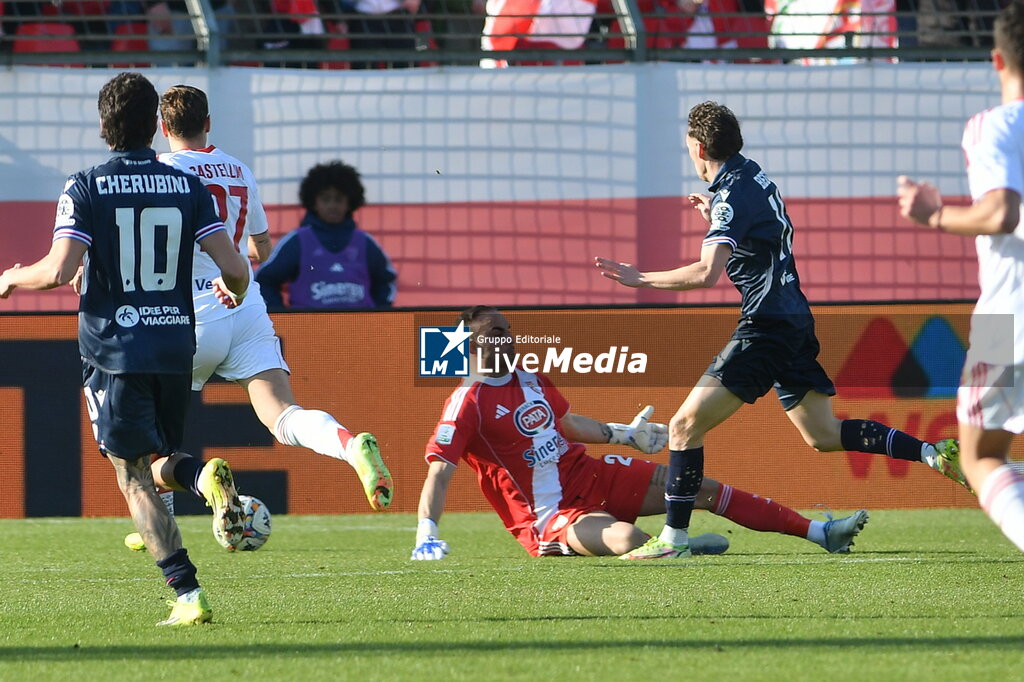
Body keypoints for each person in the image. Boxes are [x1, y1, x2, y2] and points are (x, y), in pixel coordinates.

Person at [595, 100, 966, 560]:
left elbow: (708, 274)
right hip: (793, 318)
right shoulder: (753, 177)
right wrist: (715, 218)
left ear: (701, 146)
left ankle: (673, 540)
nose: (688, 153)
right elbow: (761, 237)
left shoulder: (731, 195)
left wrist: (641, 278)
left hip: (767, 324)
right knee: (824, 434)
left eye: (689, 146)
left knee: (684, 426)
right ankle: (935, 453)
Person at [0, 72, 249, 625]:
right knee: (156, 459)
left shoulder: (85, 185)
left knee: (131, 474)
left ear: (104, 127)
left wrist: (14, 276)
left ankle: (187, 594)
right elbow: (236, 268)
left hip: (116, 349)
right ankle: (198, 477)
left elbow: (60, 270)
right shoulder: (188, 188)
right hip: (175, 344)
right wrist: (231, 293)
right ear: (153, 128)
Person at [117, 85, 394, 552]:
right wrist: (234, 261)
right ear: (209, 122)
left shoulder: (162, 171)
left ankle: (162, 524)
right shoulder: (239, 169)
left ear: (163, 128)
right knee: (282, 414)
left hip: (184, 315)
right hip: (244, 305)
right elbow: (259, 246)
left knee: (149, 449)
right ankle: (350, 446)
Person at [410, 306, 869, 560]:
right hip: (551, 513)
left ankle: (819, 533)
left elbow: (569, 426)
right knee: (627, 540)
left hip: (592, 473)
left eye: (508, 329)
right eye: (494, 332)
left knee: (696, 488)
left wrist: (622, 435)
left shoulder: (530, 376)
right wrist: (425, 531)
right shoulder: (466, 401)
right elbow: (439, 472)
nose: (507, 338)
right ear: (472, 341)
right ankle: (676, 549)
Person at [896, 2, 1024, 552]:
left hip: (1008, 315)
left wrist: (935, 215)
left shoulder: (993, 125)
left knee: (981, 455)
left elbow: (1000, 213)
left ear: (997, 58)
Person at [255, 160, 397, 310]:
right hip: (309, 330)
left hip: (360, 330)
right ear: (313, 202)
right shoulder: (297, 241)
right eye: (325, 199)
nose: (332, 205)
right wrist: (283, 317)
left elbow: (387, 281)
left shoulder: (365, 242)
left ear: (350, 202)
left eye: (339, 199)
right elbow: (265, 280)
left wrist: (379, 315)